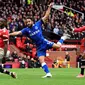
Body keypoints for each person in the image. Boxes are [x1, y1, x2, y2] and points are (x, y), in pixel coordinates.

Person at [9, 3, 70, 78]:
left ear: (32, 21)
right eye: (26, 22)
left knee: (58, 46)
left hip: (44, 42)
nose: (28, 23)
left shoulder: (38, 24)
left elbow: (46, 16)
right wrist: (9, 34)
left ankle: (62, 38)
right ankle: (48, 73)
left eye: (29, 21)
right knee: (41, 60)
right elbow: (17, 32)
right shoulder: (26, 30)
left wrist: (49, 8)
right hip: (39, 47)